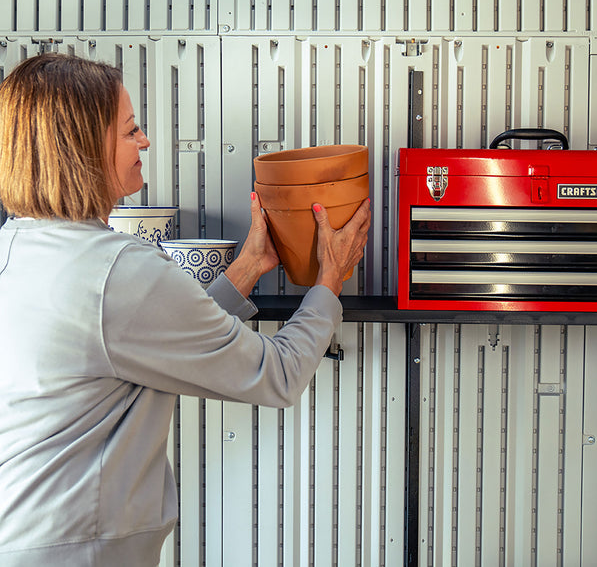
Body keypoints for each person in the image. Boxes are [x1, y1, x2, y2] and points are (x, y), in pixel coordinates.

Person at [0, 53, 371, 566]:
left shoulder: (18, 249)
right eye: (131, 131)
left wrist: (245, 271)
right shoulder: (119, 272)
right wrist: (331, 278)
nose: (145, 141)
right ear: (83, 146)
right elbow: (276, 375)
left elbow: (137, 335)